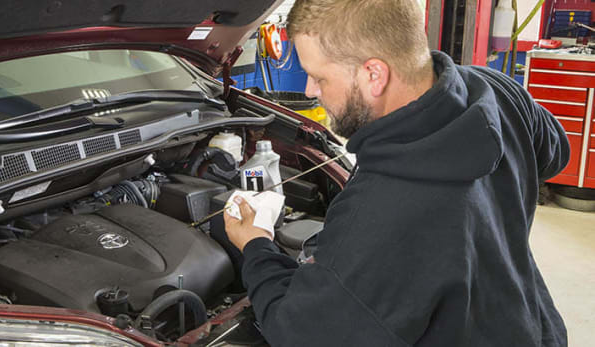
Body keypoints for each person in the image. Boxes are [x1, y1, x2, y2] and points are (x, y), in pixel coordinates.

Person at [224, 0, 569, 345]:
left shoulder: (380, 209)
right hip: (532, 327)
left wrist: (256, 246)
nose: (309, 91)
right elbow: (554, 154)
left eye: (318, 77)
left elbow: (299, 333)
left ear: (374, 75)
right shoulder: (495, 90)